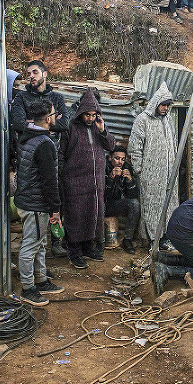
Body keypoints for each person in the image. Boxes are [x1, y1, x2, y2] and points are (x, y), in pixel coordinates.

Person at [12, 99, 65, 306]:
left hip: (28, 199)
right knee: (32, 244)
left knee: (40, 242)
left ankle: (41, 280)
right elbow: (49, 181)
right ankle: (28, 288)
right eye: (53, 114)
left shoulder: (28, 137)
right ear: (48, 118)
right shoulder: (44, 144)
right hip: (36, 203)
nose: (56, 117)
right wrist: (55, 210)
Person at [59, 88, 115, 269]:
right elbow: (60, 154)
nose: (90, 118)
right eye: (87, 115)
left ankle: (88, 247)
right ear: (81, 112)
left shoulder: (98, 127)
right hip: (74, 181)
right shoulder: (71, 127)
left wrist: (103, 130)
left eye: (94, 115)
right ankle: (74, 252)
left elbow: (111, 145)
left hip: (95, 182)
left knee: (92, 214)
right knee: (75, 216)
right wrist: (62, 176)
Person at [128, 83, 179, 251]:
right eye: (163, 104)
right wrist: (139, 170)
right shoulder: (143, 120)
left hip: (169, 173)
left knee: (169, 205)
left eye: (167, 105)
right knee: (152, 207)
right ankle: (153, 239)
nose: (165, 108)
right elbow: (135, 147)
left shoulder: (168, 120)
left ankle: (166, 237)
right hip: (150, 175)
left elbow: (173, 143)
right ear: (155, 103)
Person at [104, 147, 141, 254]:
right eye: (117, 158)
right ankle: (96, 241)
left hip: (116, 205)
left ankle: (127, 239)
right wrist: (111, 178)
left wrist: (129, 180)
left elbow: (133, 195)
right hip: (102, 205)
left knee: (135, 204)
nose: (120, 162)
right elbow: (102, 194)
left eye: (123, 159)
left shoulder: (126, 168)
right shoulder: (103, 167)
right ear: (110, 158)